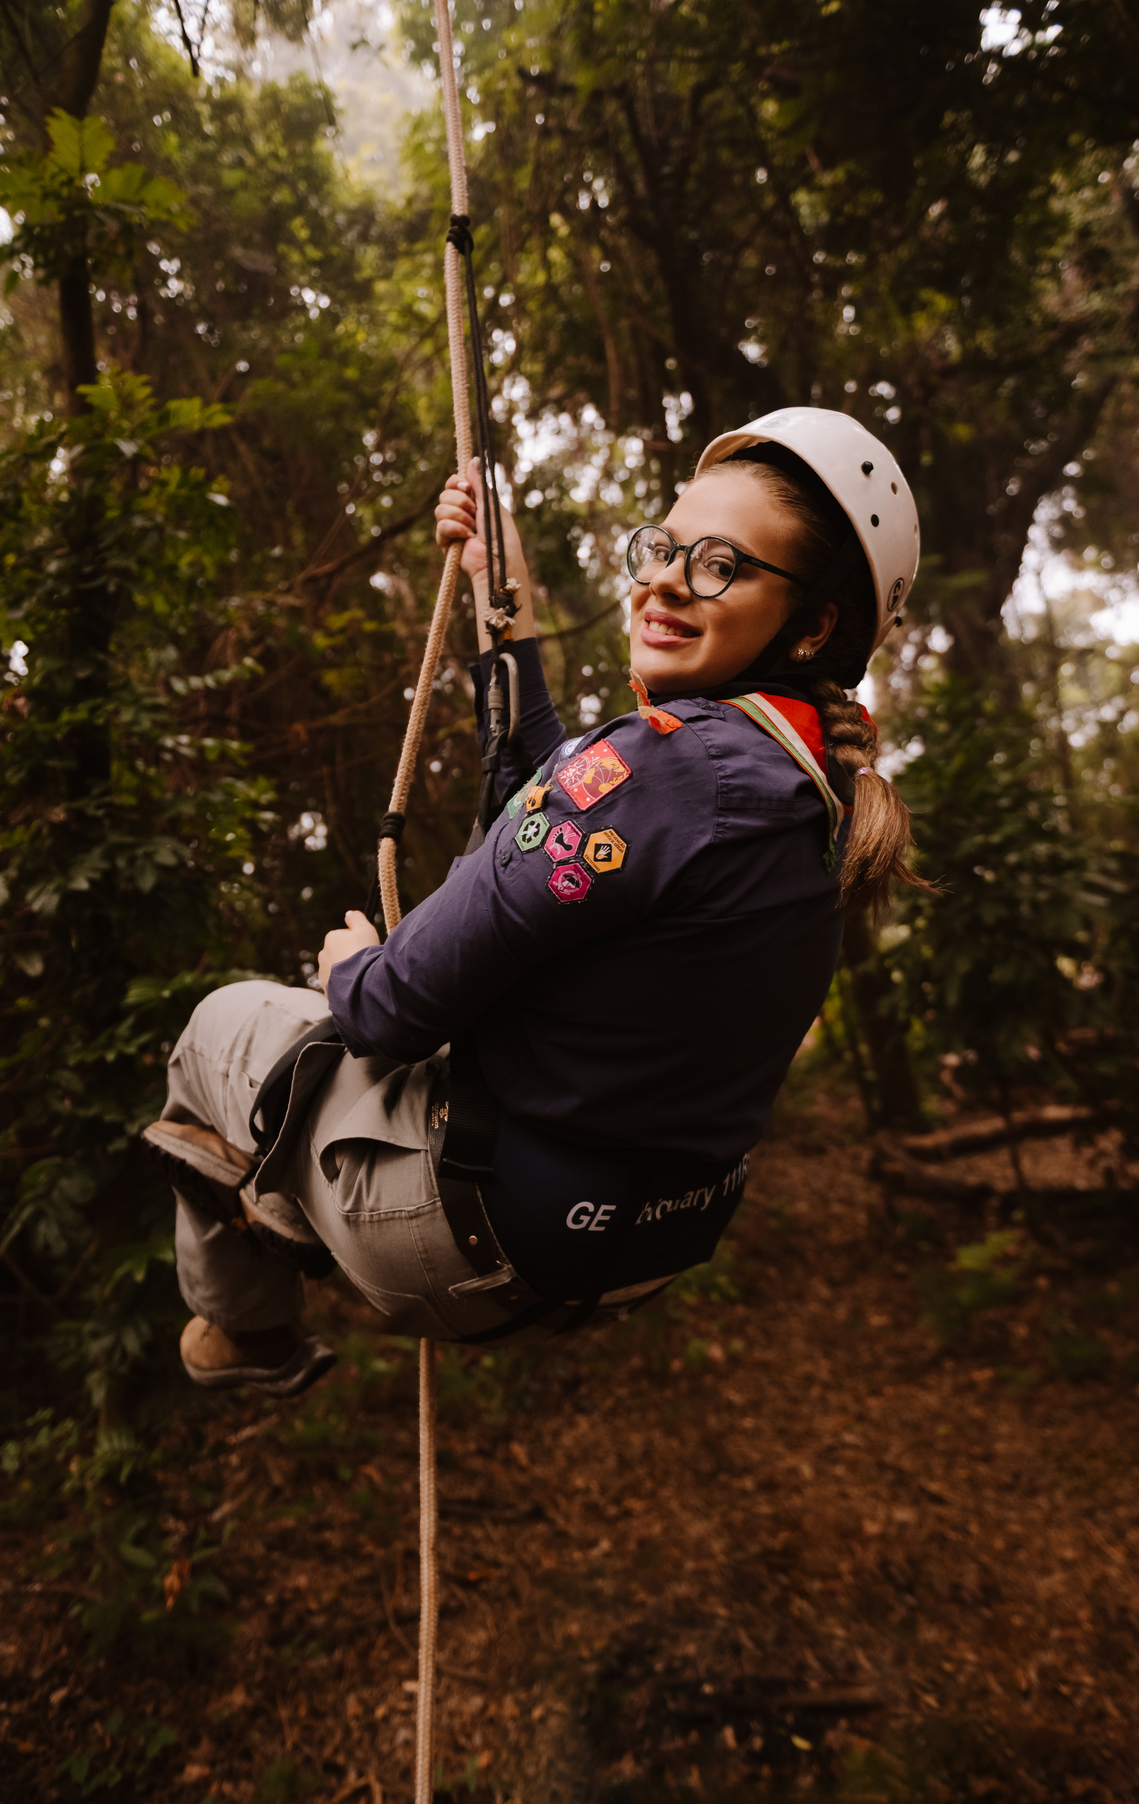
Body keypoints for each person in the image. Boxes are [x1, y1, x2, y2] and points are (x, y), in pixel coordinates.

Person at [144, 407, 931, 1397]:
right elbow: (561, 805)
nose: (662, 582)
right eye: (663, 547)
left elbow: (394, 1009)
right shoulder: (816, 783)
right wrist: (495, 592)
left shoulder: (676, 764)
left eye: (719, 563)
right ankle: (292, 1202)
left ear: (813, 622)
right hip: (628, 1256)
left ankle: (247, 1330)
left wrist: (353, 970)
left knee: (223, 1029)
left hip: (481, 1234)